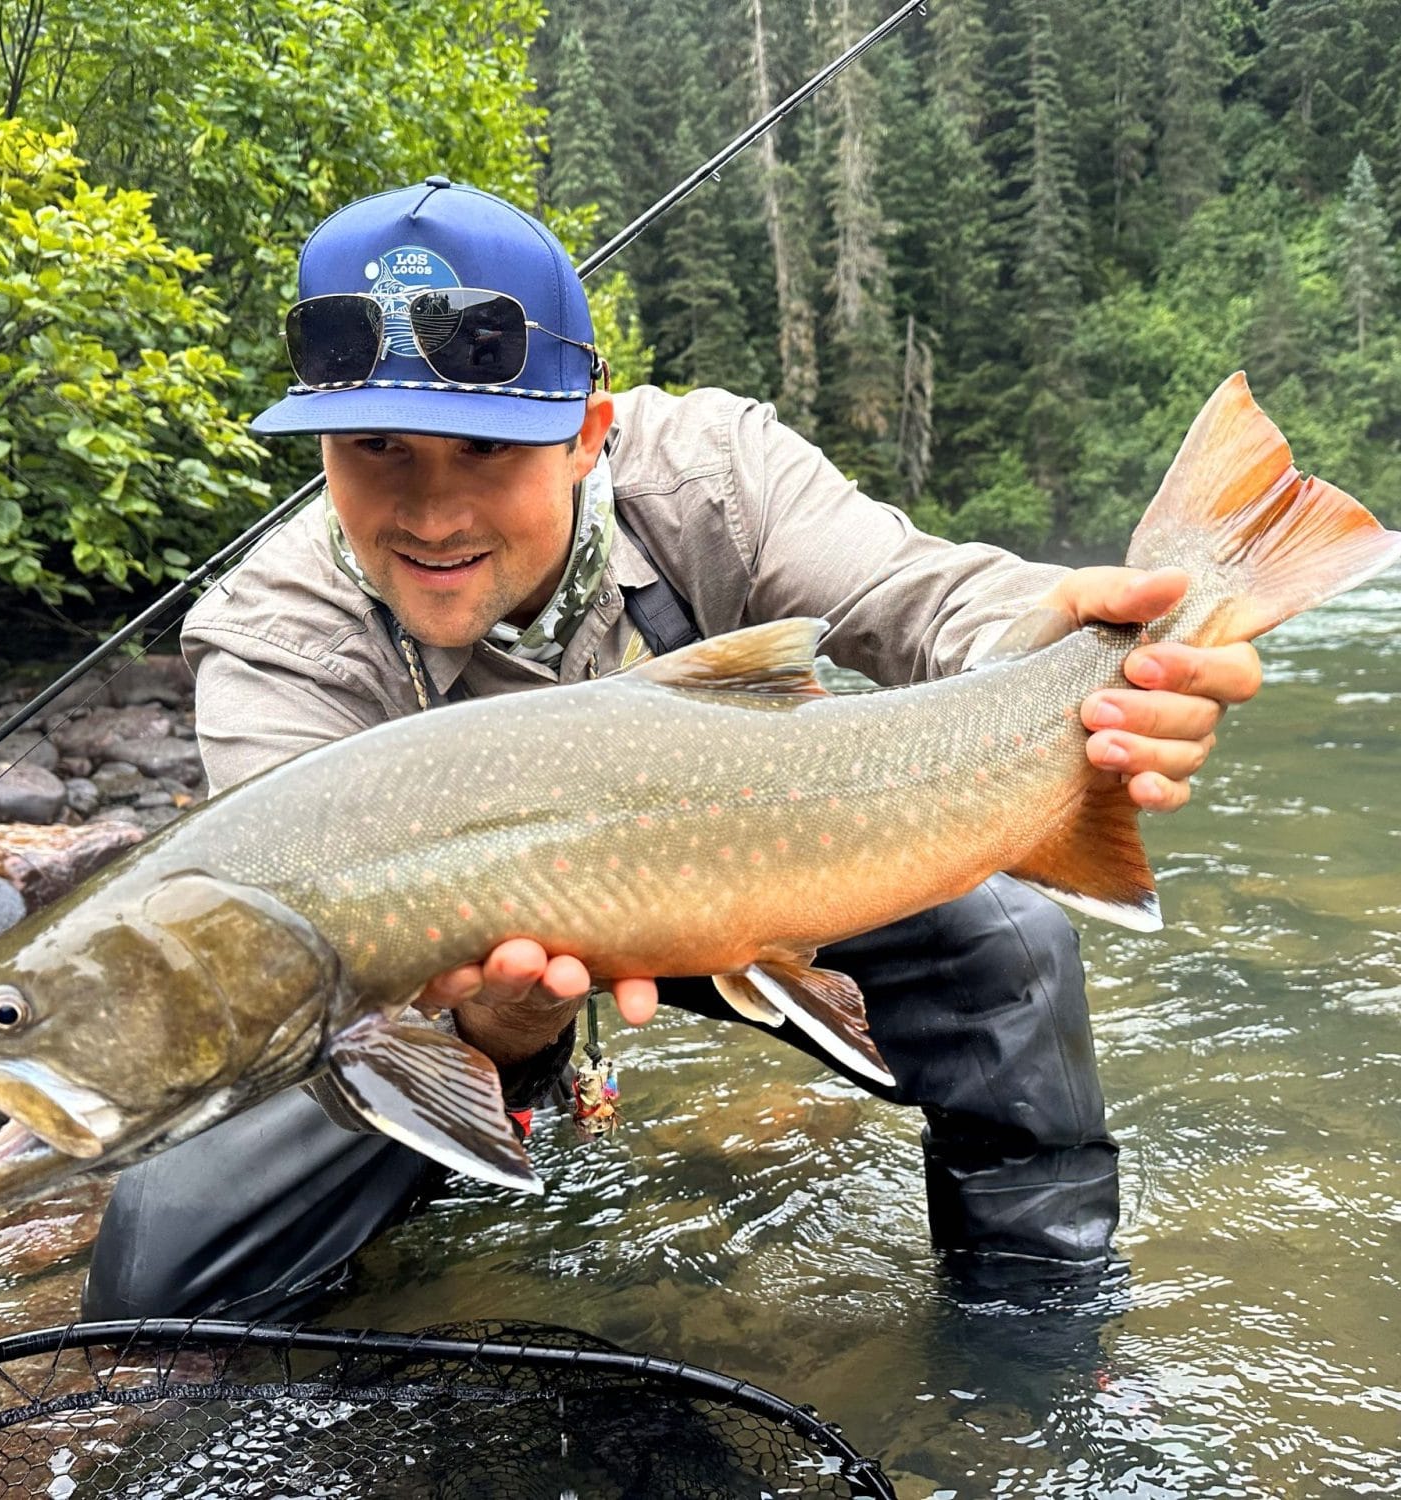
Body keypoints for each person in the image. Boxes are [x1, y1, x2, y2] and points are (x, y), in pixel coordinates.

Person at [81, 178, 1262, 1319]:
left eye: (488, 452)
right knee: (162, 1276)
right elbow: (304, 1001)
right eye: (377, 447)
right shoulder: (273, 642)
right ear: (319, 445)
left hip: (755, 852)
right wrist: (500, 1031)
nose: (432, 512)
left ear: (588, 434)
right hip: (461, 977)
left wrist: (1091, 652)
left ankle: (1042, 1335)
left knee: (1005, 940)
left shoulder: (709, 472)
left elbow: (930, 603)